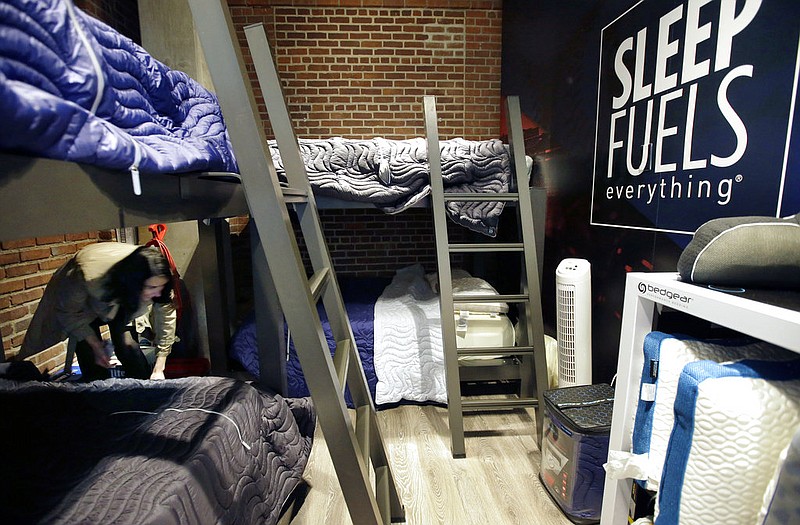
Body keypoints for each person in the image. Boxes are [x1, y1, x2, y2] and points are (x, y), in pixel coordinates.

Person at [19, 242, 177, 381]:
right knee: (90, 354)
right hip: (84, 305)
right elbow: (69, 313)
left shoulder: (157, 274)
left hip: (122, 298)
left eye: (160, 287)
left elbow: (166, 317)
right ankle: (96, 397)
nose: (157, 292)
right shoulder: (84, 275)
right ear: (135, 283)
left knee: (127, 345)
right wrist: (95, 345)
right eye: (152, 287)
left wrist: (159, 367)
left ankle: (145, 389)